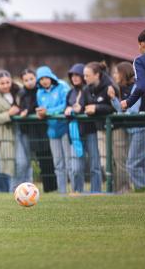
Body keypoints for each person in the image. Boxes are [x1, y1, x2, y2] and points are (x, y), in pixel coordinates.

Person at [110, 62, 145, 190]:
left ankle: (142, 188)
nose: (114, 75)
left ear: (124, 73)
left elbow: (131, 111)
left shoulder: (136, 88)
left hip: (141, 128)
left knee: (132, 164)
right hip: (134, 130)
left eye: (117, 72)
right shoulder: (122, 89)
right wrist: (113, 98)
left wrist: (121, 107)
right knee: (140, 163)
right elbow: (122, 110)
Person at [16, 69, 57, 192]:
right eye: (26, 80)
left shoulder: (40, 91)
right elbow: (22, 107)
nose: (29, 82)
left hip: (44, 128)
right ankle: (47, 188)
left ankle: (53, 186)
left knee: (49, 158)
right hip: (32, 131)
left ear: (36, 78)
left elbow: (35, 105)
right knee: (41, 160)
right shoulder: (22, 93)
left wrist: (27, 111)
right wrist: (22, 111)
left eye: (31, 79)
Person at [121, 27, 145, 174]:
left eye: (139, 44)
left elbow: (140, 87)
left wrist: (128, 102)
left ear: (144, 44)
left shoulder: (140, 61)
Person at [36, 66, 70, 194]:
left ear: (51, 76)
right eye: (41, 79)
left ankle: (75, 190)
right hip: (52, 131)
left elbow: (66, 104)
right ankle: (62, 192)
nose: (44, 81)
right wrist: (40, 113)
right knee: (58, 163)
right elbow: (41, 108)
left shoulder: (62, 86)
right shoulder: (39, 92)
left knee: (69, 161)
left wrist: (48, 112)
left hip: (65, 128)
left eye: (46, 78)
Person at [82, 61, 116, 192]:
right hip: (100, 129)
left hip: (115, 128)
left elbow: (114, 107)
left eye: (87, 75)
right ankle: (110, 189)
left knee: (118, 162)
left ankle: (122, 189)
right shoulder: (87, 89)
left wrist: (96, 108)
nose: (84, 78)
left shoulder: (109, 86)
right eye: (84, 76)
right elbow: (84, 106)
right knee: (104, 162)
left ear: (97, 75)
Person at [64, 64, 87, 193]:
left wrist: (81, 109)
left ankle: (96, 191)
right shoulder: (70, 93)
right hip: (74, 133)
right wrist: (67, 109)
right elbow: (66, 107)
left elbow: (89, 105)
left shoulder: (88, 90)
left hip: (89, 131)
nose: (74, 77)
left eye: (77, 74)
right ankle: (76, 191)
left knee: (94, 165)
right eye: (72, 75)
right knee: (75, 167)